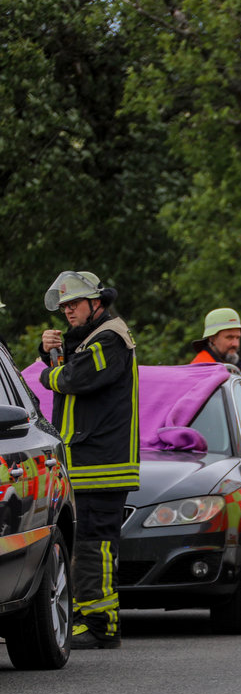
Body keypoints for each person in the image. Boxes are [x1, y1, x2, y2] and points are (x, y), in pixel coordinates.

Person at [39, 271, 140, 649]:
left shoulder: (111, 337)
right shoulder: (93, 337)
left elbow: (73, 379)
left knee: (94, 545)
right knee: (84, 545)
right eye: (64, 306)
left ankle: (101, 625)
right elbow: (74, 365)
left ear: (96, 302)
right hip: (86, 460)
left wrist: (49, 371)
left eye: (74, 304)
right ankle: (86, 617)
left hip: (102, 463)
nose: (68, 311)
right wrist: (49, 348)